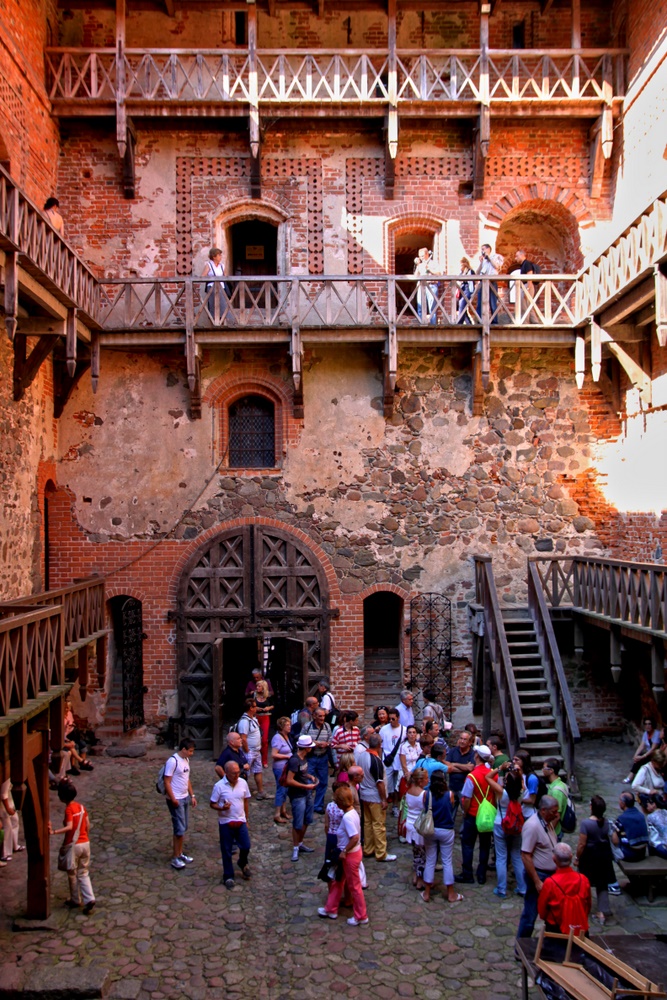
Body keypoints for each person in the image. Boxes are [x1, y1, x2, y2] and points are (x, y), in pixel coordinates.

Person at [318, 784, 368, 925]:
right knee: (338, 881)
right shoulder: (352, 813)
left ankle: (361, 915)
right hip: (349, 853)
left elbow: (355, 837)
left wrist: (344, 851)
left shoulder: (347, 817)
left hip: (349, 855)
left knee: (354, 886)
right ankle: (331, 908)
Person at [516, 795, 559, 940]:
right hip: (539, 875)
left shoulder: (547, 822)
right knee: (530, 913)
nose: (556, 814)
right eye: (553, 811)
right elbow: (525, 855)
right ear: (543, 810)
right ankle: (521, 946)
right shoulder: (533, 826)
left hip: (550, 875)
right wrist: (536, 881)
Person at [49, 780, 95, 914]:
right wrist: (86, 837)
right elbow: (87, 825)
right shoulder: (81, 807)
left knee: (72, 873)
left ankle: (75, 898)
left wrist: (54, 832)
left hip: (74, 845)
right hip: (85, 842)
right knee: (83, 872)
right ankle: (89, 897)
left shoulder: (69, 810)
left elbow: (69, 826)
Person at [421, 770, 463, 904]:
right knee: (447, 861)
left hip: (432, 829)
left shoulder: (427, 794)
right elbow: (450, 807)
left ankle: (427, 892)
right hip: (446, 829)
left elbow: (425, 808)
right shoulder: (449, 794)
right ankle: (450, 893)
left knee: (430, 860)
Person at [456, 744, 496, 885]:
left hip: (473, 813)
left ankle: (467, 874)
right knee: (485, 845)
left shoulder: (472, 776)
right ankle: (481, 874)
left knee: (468, 844)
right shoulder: (493, 774)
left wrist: (465, 812)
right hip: (487, 814)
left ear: (477, 756)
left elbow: (467, 798)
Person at [486, 765, 527, 899]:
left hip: (501, 823)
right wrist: (517, 772)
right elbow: (521, 781)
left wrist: (500, 768)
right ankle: (522, 887)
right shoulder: (521, 792)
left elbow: (488, 777)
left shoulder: (502, 793)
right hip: (515, 825)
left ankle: (502, 888)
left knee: (501, 857)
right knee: (516, 855)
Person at [210, 761, 251, 889]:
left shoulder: (243, 783)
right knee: (226, 850)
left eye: (238, 772)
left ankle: (242, 862)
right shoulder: (219, 786)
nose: (237, 775)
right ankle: (228, 875)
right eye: (234, 773)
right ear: (226, 773)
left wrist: (246, 818)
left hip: (240, 820)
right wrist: (222, 808)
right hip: (226, 822)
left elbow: (245, 801)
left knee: (246, 846)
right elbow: (212, 803)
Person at [575, 794, 615, 925]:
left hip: (589, 858)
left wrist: (577, 857)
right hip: (603, 857)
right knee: (602, 884)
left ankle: (582, 907)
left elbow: (582, 844)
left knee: (583, 882)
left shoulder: (586, 824)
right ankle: (603, 911)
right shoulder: (607, 823)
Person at [538, 843, 591, 936]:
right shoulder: (583, 879)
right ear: (571, 857)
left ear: (554, 859)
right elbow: (588, 906)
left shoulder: (549, 883)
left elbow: (542, 912)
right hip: (579, 929)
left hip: (556, 931)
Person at [359, 733, 396, 863]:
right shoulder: (375, 760)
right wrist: (384, 799)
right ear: (380, 745)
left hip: (364, 794)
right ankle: (381, 852)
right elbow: (379, 783)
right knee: (379, 825)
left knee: (368, 823)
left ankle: (368, 848)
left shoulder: (362, 755)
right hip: (374, 796)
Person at [163, 738, 197, 870]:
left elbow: (186, 779)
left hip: (184, 797)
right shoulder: (173, 761)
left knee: (183, 827)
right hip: (176, 798)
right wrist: (173, 798)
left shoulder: (186, 760)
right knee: (179, 829)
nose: (191, 753)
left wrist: (192, 795)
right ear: (183, 749)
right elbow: (167, 781)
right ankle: (175, 857)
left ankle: (180, 853)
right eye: (190, 751)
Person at [285, 734, 318, 862]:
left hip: (306, 793)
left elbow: (302, 773)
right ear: (307, 748)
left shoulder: (303, 759)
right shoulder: (295, 760)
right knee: (298, 822)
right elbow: (289, 780)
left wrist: (309, 777)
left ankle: (300, 843)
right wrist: (306, 786)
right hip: (298, 795)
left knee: (307, 820)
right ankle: (295, 848)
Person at [300, 706, 332, 813]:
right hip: (311, 758)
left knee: (323, 782)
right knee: (307, 781)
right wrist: (314, 743)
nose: (322, 718)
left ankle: (318, 805)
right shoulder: (307, 727)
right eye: (320, 716)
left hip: (323, 757)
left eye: (323, 716)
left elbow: (331, 740)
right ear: (314, 716)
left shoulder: (327, 727)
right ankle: (307, 804)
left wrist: (326, 744)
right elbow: (301, 739)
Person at [403, 767, 428, 890]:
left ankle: (415, 875)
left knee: (416, 852)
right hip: (419, 826)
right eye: (426, 778)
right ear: (420, 781)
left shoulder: (409, 791)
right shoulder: (423, 794)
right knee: (423, 855)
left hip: (410, 823)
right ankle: (420, 878)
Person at [237, 699, 265, 799]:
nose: (257, 708)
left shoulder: (253, 719)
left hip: (257, 750)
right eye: (255, 706)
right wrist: (247, 750)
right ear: (251, 708)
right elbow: (243, 738)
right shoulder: (244, 722)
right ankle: (241, 793)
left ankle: (260, 791)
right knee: (244, 773)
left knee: (258, 770)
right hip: (249, 751)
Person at [610, 791, 649, 864]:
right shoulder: (641, 815)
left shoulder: (621, 818)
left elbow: (615, 841)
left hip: (629, 854)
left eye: (620, 800)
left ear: (623, 803)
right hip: (642, 853)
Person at [378, 709, 405, 814]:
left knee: (397, 785)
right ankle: (385, 803)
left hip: (399, 761)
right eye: (389, 719)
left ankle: (395, 805)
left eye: (393, 719)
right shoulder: (384, 730)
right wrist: (380, 760)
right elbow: (380, 746)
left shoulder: (404, 729)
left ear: (398, 718)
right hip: (387, 760)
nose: (391, 721)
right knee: (387, 784)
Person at [446, 730, 476, 816]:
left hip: (464, 788)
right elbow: (448, 766)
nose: (462, 741)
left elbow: (470, 768)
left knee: (465, 812)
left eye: (465, 739)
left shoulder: (472, 754)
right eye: (461, 738)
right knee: (451, 811)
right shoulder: (453, 751)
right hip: (452, 786)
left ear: (470, 742)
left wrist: (454, 764)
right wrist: (464, 767)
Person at [271, 716, 293, 824]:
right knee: (281, 789)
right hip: (280, 767)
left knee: (285, 789)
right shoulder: (277, 738)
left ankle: (283, 810)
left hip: (286, 767)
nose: (290, 727)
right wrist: (287, 757)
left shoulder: (286, 736)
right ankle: (277, 813)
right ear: (282, 726)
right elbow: (274, 754)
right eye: (287, 725)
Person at [624, 717, 662, 782]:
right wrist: (635, 755)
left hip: (655, 755)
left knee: (641, 759)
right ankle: (632, 776)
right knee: (638, 758)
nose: (648, 726)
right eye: (646, 724)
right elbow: (641, 746)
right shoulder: (645, 734)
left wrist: (642, 757)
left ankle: (631, 776)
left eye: (649, 724)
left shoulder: (656, 733)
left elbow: (653, 749)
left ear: (652, 725)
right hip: (648, 754)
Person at [476, 242, 503, 323]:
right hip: (483, 281)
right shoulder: (483, 261)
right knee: (480, 302)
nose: (482, 251)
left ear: (488, 249)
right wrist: (481, 262)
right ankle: (480, 320)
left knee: (492, 302)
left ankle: (494, 321)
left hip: (492, 281)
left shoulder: (496, 257)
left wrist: (489, 258)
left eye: (483, 249)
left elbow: (497, 267)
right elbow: (477, 273)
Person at [542, 758, 569, 835]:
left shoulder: (556, 791)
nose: (542, 770)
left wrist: (549, 833)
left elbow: (556, 816)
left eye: (544, 768)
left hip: (554, 832)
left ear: (551, 771)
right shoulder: (560, 784)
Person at [0, 776, 24, 861]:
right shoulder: (6, 777)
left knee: (15, 821)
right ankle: (5, 853)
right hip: (3, 806)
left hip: (10, 802)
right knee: (7, 827)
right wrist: (8, 809)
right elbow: (3, 795)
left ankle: (15, 845)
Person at [413, 248, 438, 323]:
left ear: (427, 254)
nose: (421, 258)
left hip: (431, 285)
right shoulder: (420, 265)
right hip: (421, 286)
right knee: (420, 306)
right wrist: (418, 266)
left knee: (432, 308)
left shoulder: (433, 263)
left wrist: (429, 269)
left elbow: (439, 273)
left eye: (423, 256)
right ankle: (421, 324)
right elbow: (415, 276)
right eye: (420, 256)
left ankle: (433, 326)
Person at [202, 247, 229, 314]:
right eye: (219, 255)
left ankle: (223, 321)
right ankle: (215, 321)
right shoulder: (209, 265)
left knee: (223, 305)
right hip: (212, 287)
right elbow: (203, 276)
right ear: (214, 257)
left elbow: (226, 277)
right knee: (213, 305)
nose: (221, 257)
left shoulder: (222, 266)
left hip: (221, 288)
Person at [254, 679, 273, 769]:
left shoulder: (268, 696)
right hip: (256, 717)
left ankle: (264, 760)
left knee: (264, 740)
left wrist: (268, 707)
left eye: (259, 686)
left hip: (265, 717)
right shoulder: (254, 695)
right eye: (257, 686)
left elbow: (273, 705)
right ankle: (255, 759)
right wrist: (255, 708)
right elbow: (249, 704)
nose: (257, 688)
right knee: (255, 738)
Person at [398, 725, 421, 795]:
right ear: (407, 734)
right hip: (406, 772)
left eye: (414, 733)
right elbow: (403, 765)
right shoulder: (403, 746)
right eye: (410, 733)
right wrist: (408, 777)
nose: (412, 735)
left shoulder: (419, 745)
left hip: (417, 771)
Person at [643, 794, 667, 859]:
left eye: (647, 804)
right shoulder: (666, 811)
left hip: (664, 847)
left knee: (650, 841)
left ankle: (652, 859)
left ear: (653, 804)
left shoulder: (650, 817)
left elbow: (651, 836)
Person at [456, 257, 475, 324]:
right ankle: (469, 324)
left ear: (464, 264)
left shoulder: (470, 271)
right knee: (463, 307)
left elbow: (472, 283)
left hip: (467, 290)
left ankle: (459, 323)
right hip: (461, 291)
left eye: (460, 265)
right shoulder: (461, 273)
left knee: (462, 305)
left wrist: (472, 293)